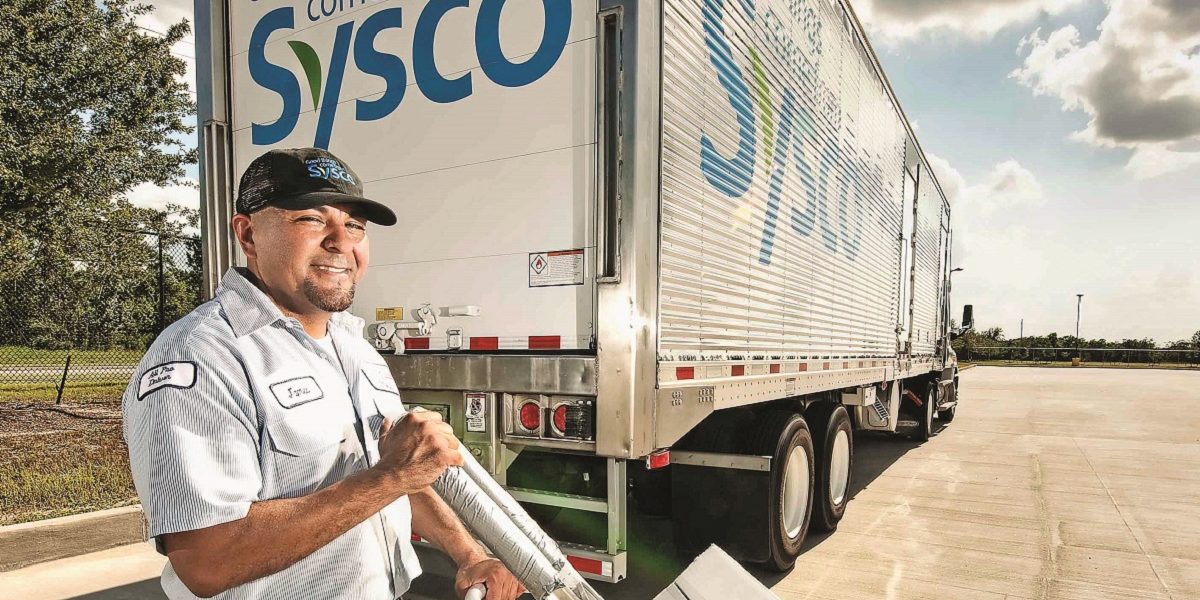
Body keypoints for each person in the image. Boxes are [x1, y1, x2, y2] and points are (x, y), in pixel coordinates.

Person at [122, 148, 523, 600]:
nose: (341, 242)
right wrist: (390, 476)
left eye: (355, 225)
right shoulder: (203, 356)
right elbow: (206, 560)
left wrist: (468, 553)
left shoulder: (353, 346)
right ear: (248, 234)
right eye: (312, 219)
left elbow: (396, 476)